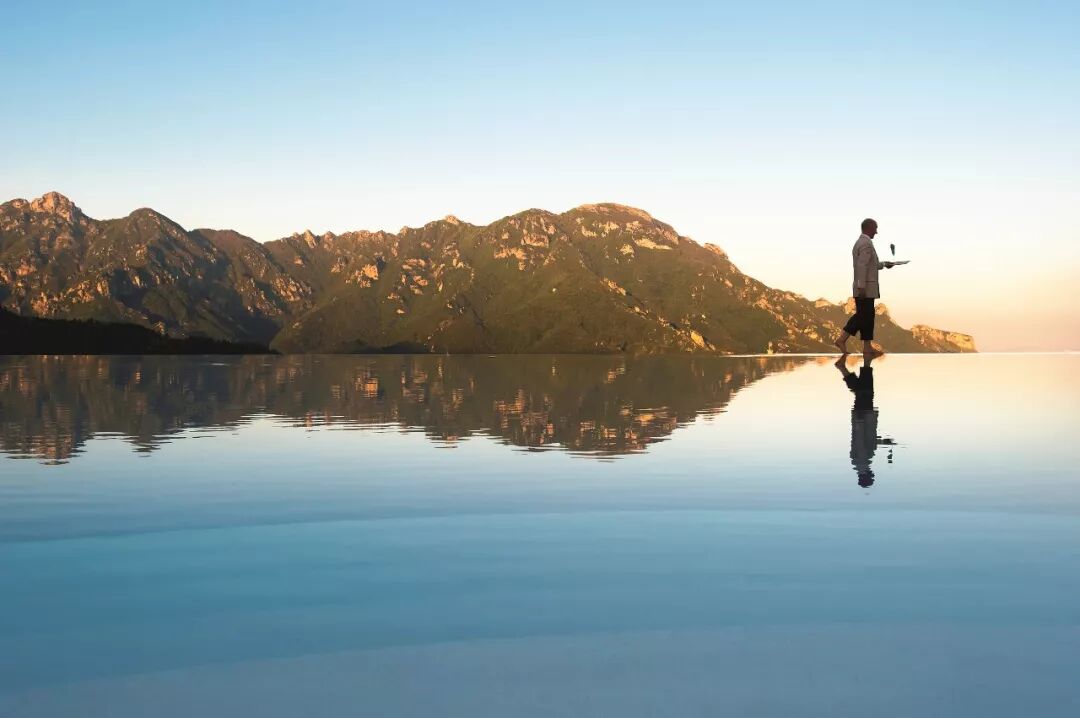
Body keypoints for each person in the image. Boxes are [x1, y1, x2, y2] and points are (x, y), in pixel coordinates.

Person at [835, 218, 895, 357]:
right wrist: (862, 287)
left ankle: (867, 348)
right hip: (865, 288)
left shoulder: (860, 243)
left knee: (867, 316)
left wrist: (885, 264)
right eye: (875, 228)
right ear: (869, 228)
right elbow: (862, 266)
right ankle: (842, 339)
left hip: (863, 286)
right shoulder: (866, 243)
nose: (877, 232)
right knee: (863, 316)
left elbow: (869, 264)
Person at [835, 355, 895, 488]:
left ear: (868, 476)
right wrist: (883, 442)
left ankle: (864, 363)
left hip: (863, 417)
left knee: (865, 392)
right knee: (861, 391)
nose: (873, 473)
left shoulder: (862, 462)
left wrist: (860, 421)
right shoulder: (859, 463)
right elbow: (868, 442)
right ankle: (848, 366)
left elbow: (861, 442)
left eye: (871, 476)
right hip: (863, 418)